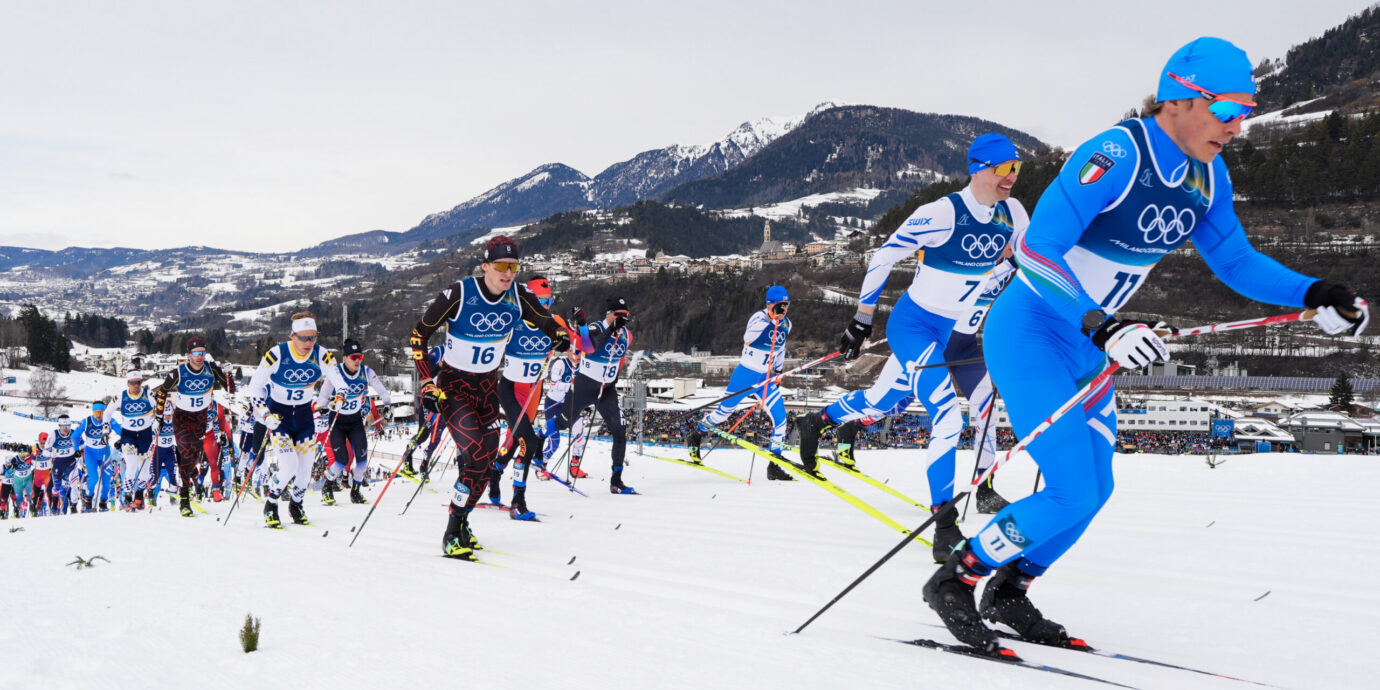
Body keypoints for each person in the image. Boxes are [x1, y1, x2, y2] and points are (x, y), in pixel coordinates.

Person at [923, 37, 1371, 656]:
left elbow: (1235, 261)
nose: (1237, 128)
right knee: (1071, 487)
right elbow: (1035, 250)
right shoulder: (1114, 155)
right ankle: (956, 579)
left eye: (1246, 115)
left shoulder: (1207, 174)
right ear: (1182, 100)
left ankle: (1011, 590)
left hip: (1089, 347)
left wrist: (1316, 289)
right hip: (1033, 332)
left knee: (1097, 489)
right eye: (1228, 112)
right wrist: (1101, 324)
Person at [795, 132, 1030, 562]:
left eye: (1016, 168)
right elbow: (883, 257)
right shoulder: (942, 213)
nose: (1011, 177)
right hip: (915, 326)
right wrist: (861, 320)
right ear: (979, 168)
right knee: (945, 414)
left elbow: (1028, 260)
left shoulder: (1012, 213)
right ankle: (944, 521)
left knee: (904, 401)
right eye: (1003, 168)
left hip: (956, 334)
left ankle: (819, 421)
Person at [408, 235, 570, 559]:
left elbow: (544, 320)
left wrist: (559, 335)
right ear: (485, 266)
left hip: (486, 388)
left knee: (485, 464)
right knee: (476, 455)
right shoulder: (459, 293)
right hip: (454, 387)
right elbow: (418, 335)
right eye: (500, 266)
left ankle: (463, 519)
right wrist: (427, 382)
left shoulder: (518, 296)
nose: (507, 273)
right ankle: (452, 531)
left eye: (513, 266)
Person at [831, 269, 1015, 513]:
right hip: (927, 343)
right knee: (890, 402)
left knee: (987, 408)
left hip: (964, 347)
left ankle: (985, 488)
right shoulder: (978, 253)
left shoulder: (1016, 259)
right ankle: (850, 427)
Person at [246, 312, 347, 528]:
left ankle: (296, 504)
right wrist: (264, 413)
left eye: (313, 337)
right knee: (289, 465)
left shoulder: (322, 354)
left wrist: (340, 397)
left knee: (305, 470)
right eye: (304, 338)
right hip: (279, 415)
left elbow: (340, 381)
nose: (309, 343)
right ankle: (271, 503)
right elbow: (254, 386)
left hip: (303, 417)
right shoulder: (276, 354)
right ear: (293, 336)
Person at [686, 285, 794, 480]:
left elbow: (781, 349)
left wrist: (778, 372)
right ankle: (698, 433)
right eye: (780, 305)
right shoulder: (758, 318)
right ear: (770, 304)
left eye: (786, 305)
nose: (784, 309)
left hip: (766, 379)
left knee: (781, 419)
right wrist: (770, 318)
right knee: (723, 414)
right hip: (745, 375)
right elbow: (748, 338)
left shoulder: (787, 324)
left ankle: (774, 464)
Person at [555, 297, 635, 493]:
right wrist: (610, 330)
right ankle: (538, 445)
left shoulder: (627, 335)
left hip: (606, 390)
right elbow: (591, 347)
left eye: (625, 316)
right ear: (608, 314)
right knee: (563, 423)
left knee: (619, 431)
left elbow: (620, 360)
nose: (621, 319)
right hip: (585, 386)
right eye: (618, 315)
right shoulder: (595, 328)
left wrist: (612, 381)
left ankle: (616, 481)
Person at [491, 276, 556, 519]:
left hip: (534, 390)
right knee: (527, 441)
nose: (545, 307)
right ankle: (518, 500)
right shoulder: (513, 323)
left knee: (518, 439)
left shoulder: (553, 322)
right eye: (540, 301)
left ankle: (496, 470)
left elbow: (584, 348)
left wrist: (579, 330)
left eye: (549, 301)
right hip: (511, 389)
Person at [154, 337, 236, 517]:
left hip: (201, 419)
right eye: (196, 353)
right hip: (182, 418)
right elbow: (162, 391)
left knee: (192, 459)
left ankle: (191, 479)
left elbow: (230, 390)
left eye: (203, 353)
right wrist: (158, 417)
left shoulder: (211, 369)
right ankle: (184, 499)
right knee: (185, 456)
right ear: (188, 355)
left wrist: (229, 374)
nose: (200, 357)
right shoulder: (179, 372)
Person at [317, 339, 393, 505]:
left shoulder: (366, 372)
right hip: (337, 422)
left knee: (362, 460)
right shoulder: (335, 373)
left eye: (360, 356)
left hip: (355, 421)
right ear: (345, 358)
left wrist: (387, 405)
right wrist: (322, 406)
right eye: (353, 357)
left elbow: (381, 390)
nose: (358, 360)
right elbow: (323, 395)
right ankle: (327, 486)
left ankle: (356, 491)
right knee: (341, 460)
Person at [109, 370, 157, 512]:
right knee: (131, 465)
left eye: (138, 383)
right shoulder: (121, 396)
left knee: (145, 471)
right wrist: (106, 428)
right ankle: (126, 495)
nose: (136, 386)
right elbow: (107, 412)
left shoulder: (148, 395)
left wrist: (158, 422)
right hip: (128, 435)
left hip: (146, 435)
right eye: (133, 383)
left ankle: (139, 494)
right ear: (127, 383)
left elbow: (163, 406)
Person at [50, 413, 85, 514]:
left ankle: (73, 506)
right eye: (64, 427)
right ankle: (55, 500)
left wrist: (79, 453)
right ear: (59, 426)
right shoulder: (54, 434)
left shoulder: (74, 433)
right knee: (57, 486)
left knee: (74, 484)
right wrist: (53, 453)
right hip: (58, 463)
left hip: (71, 461)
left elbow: (82, 446)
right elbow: (46, 451)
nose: (66, 429)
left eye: (68, 426)